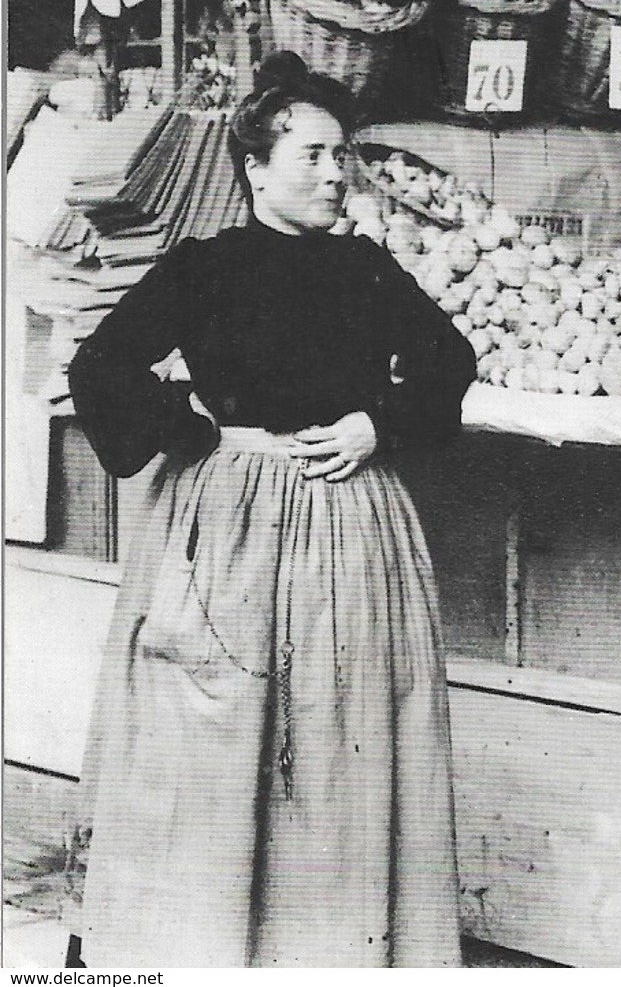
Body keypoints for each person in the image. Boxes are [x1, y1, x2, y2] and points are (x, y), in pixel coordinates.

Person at [67, 52, 477, 967]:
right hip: (227, 531)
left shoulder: (366, 267)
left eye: (343, 157)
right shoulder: (204, 268)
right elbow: (98, 366)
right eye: (313, 156)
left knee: (339, 728)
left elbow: (450, 362)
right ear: (256, 168)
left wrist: (379, 425)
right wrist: (193, 437)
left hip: (350, 522)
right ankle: (198, 945)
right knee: (212, 725)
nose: (336, 174)